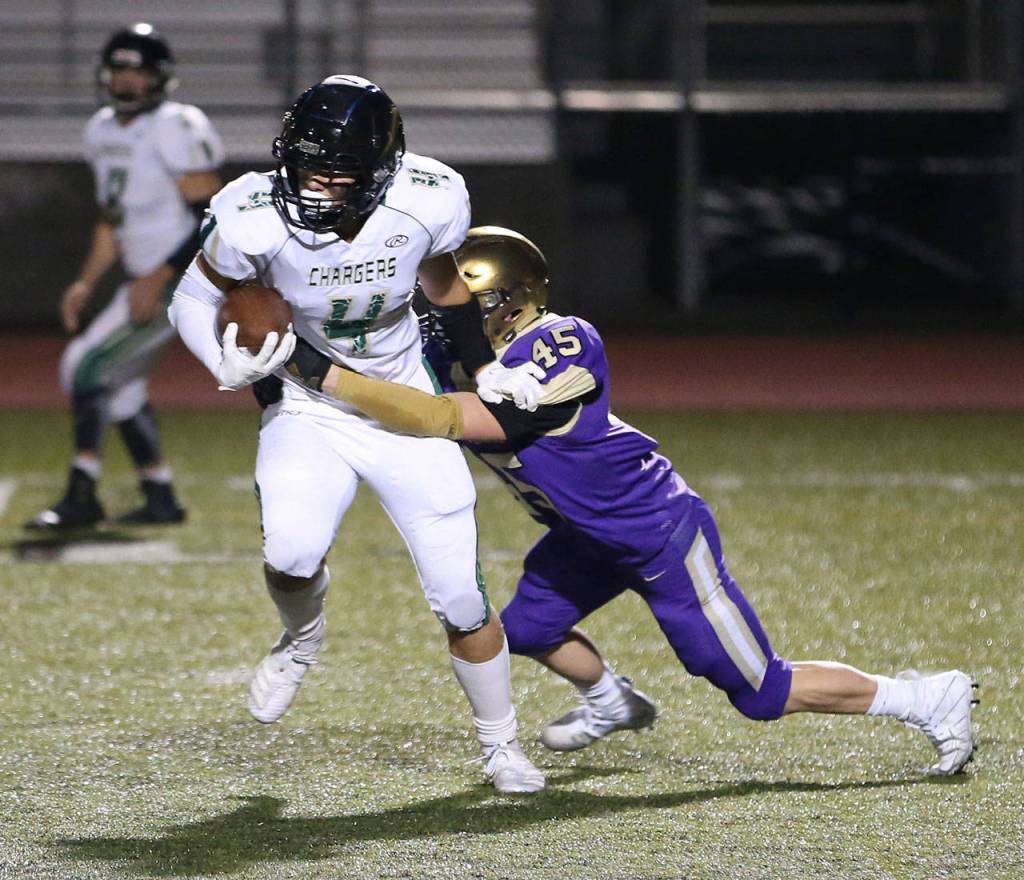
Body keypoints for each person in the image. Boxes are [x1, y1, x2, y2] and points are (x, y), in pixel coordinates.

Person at [284, 225, 979, 777]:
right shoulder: (462, 361)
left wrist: (321, 373)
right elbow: (405, 403)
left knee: (759, 693)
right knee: (522, 630)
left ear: (513, 300)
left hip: (657, 531)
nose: (449, 319)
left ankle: (925, 698)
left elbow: (445, 418)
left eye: (472, 305)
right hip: (584, 535)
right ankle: (611, 698)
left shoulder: (561, 339)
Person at [168, 76, 547, 793]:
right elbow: (194, 295)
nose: (315, 186)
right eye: (306, 164)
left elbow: (444, 286)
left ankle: (501, 746)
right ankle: (302, 636)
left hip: (405, 402)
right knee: (291, 554)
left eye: (337, 173)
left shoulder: (428, 197)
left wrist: (485, 368)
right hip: (308, 406)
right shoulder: (251, 212)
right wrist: (219, 357)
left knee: (461, 598)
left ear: (380, 171)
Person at [26, 23, 224, 530]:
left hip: (182, 277)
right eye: (119, 69)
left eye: (137, 71)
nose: (126, 81)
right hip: (144, 276)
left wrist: (158, 276)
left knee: (85, 366)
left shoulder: (177, 125)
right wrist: (86, 282)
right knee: (119, 387)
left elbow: (215, 219)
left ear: (159, 77)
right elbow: (113, 220)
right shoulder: (101, 130)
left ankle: (82, 493)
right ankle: (159, 494)